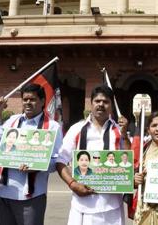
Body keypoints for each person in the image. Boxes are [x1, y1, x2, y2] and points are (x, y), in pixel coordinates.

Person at [0, 83, 64, 225]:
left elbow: (57, 161)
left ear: (42, 102)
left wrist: (38, 166)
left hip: (32, 195)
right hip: (6, 191)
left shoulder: (52, 127)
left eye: (32, 99)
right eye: (25, 99)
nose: (28, 103)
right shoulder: (12, 121)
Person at [56, 85, 131, 225]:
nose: (101, 105)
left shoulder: (118, 130)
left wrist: (125, 135)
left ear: (111, 106)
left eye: (106, 102)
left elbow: (129, 161)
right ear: (91, 104)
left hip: (112, 206)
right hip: (82, 205)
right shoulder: (77, 129)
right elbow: (60, 160)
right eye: (97, 101)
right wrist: (73, 184)